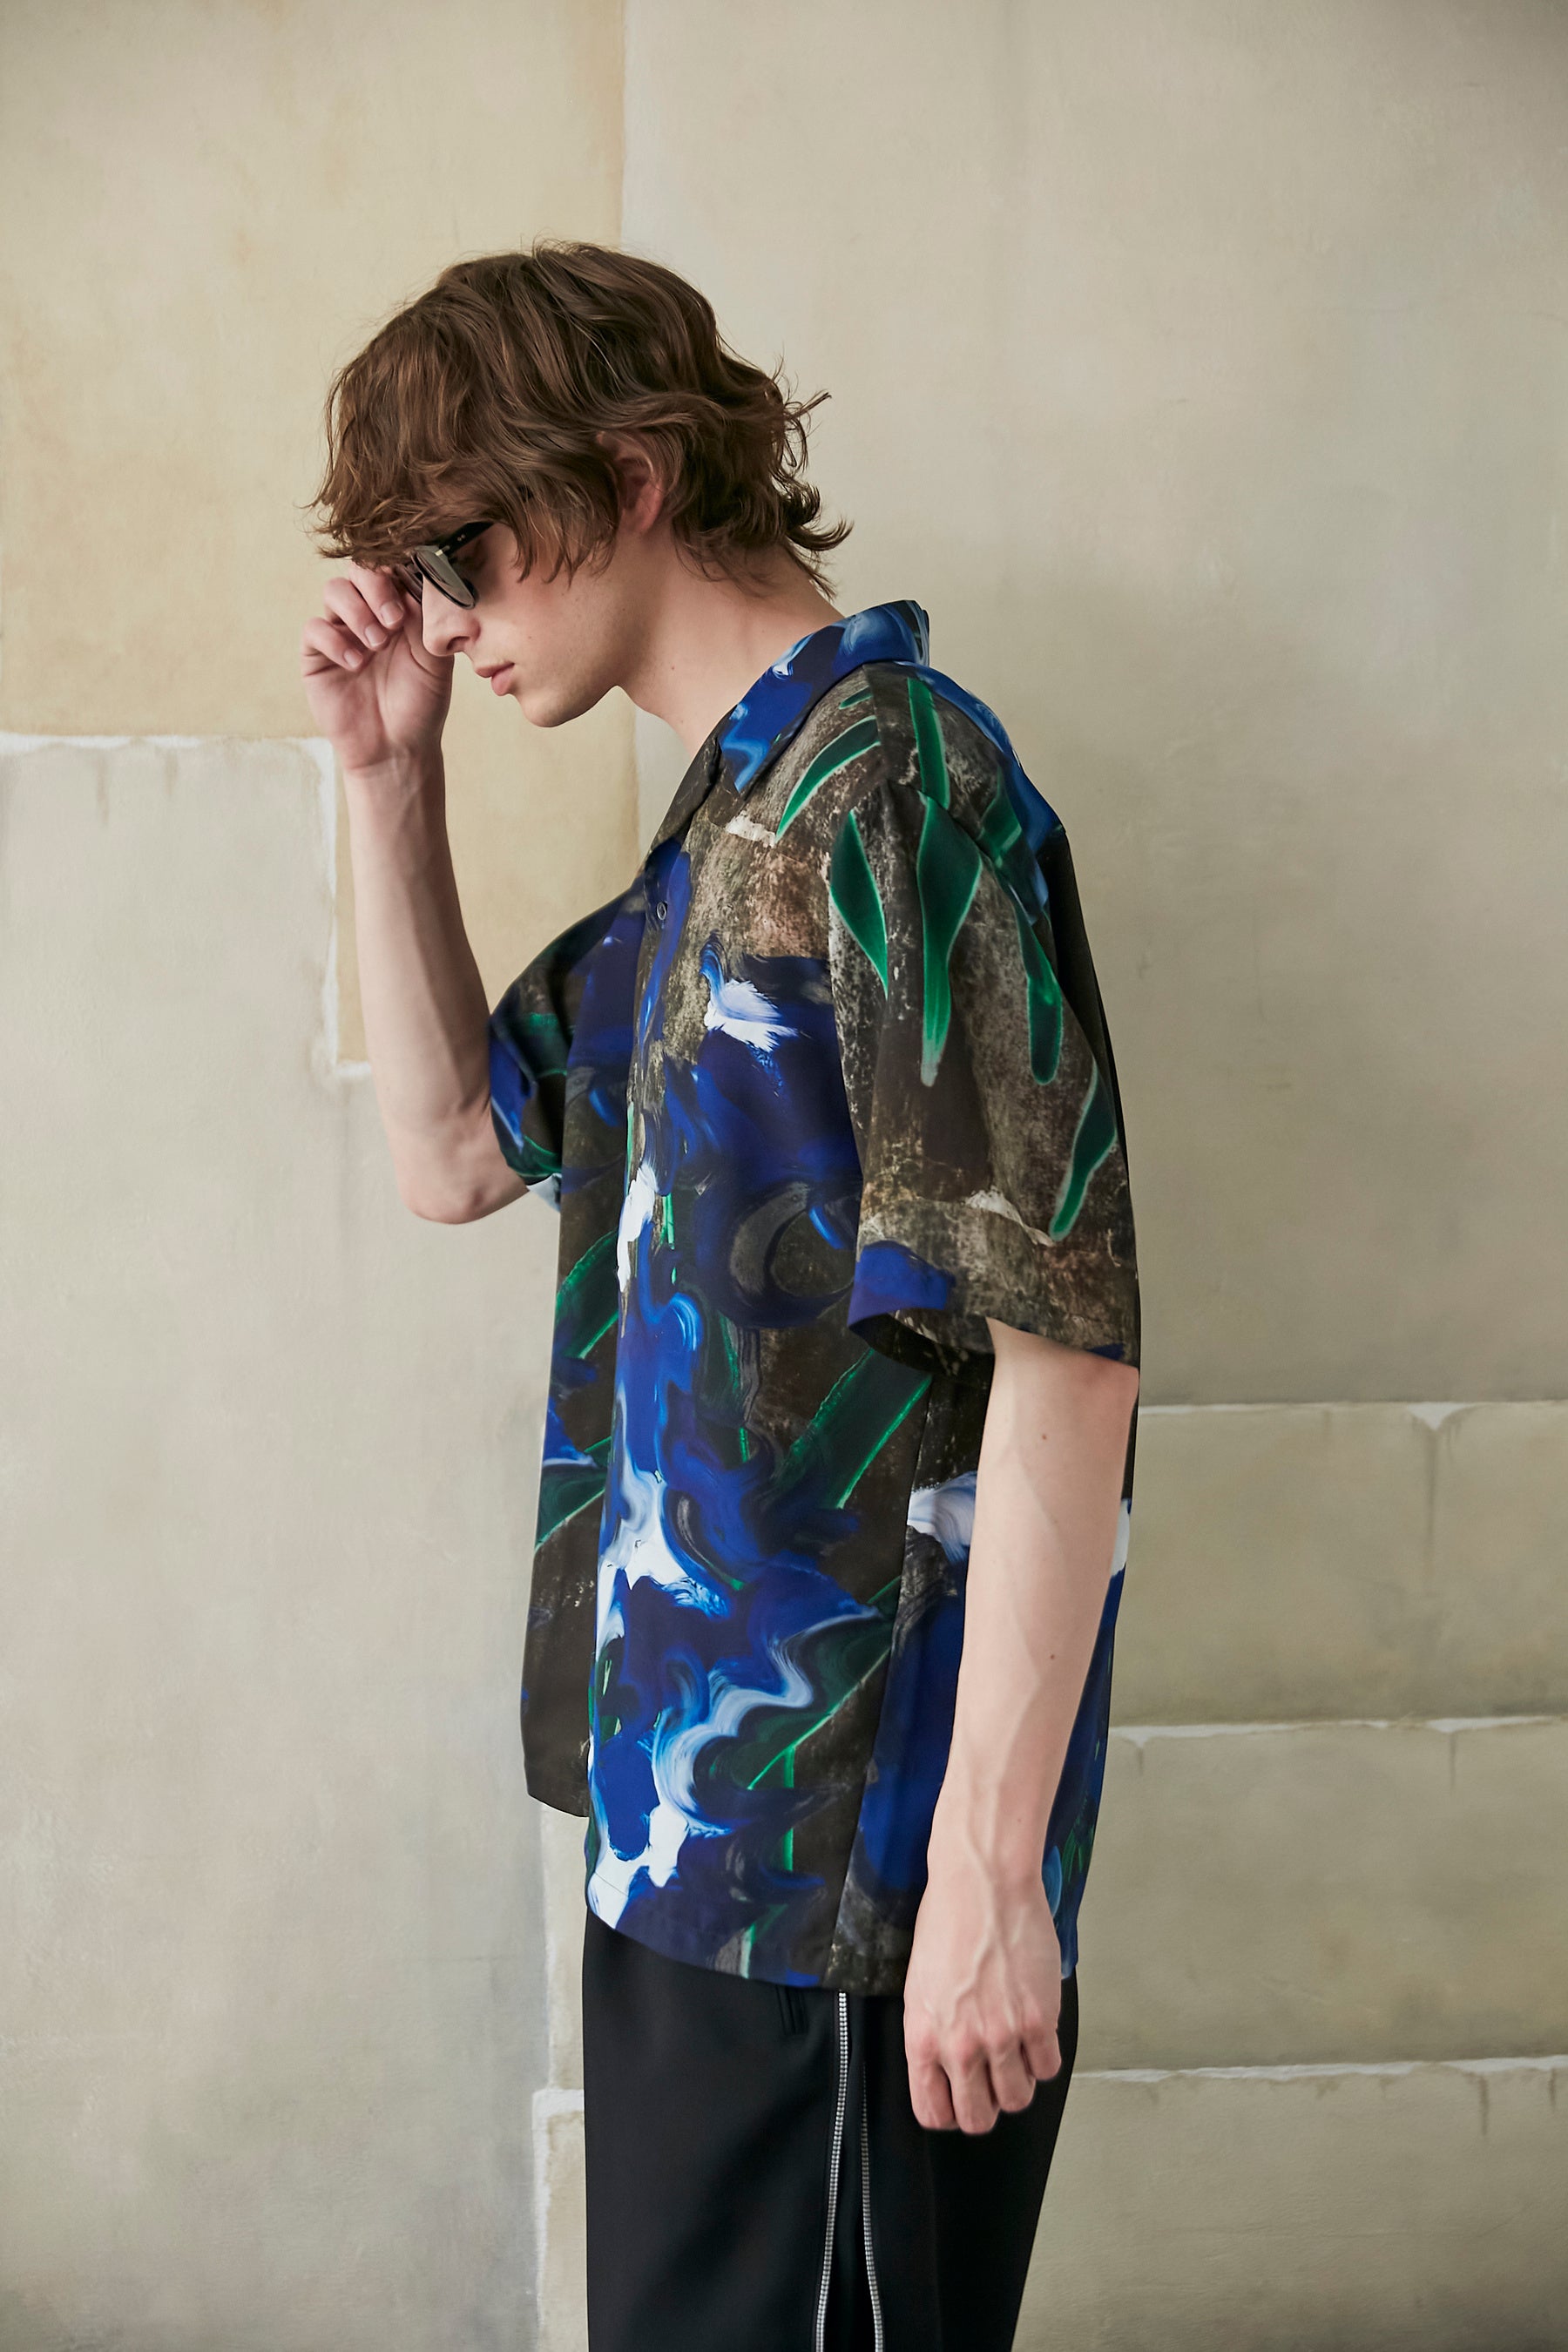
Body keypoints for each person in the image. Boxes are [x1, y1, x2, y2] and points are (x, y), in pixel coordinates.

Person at [301, 239, 1140, 2352]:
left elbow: (1063, 1349)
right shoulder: (724, 838)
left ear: (634, 476)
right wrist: (387, 779)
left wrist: (987, 1882)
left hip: (850, 1894)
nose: (450, 614)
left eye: (464, 549)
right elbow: (453, 1148)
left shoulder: (894, 794)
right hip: (689, 1849)